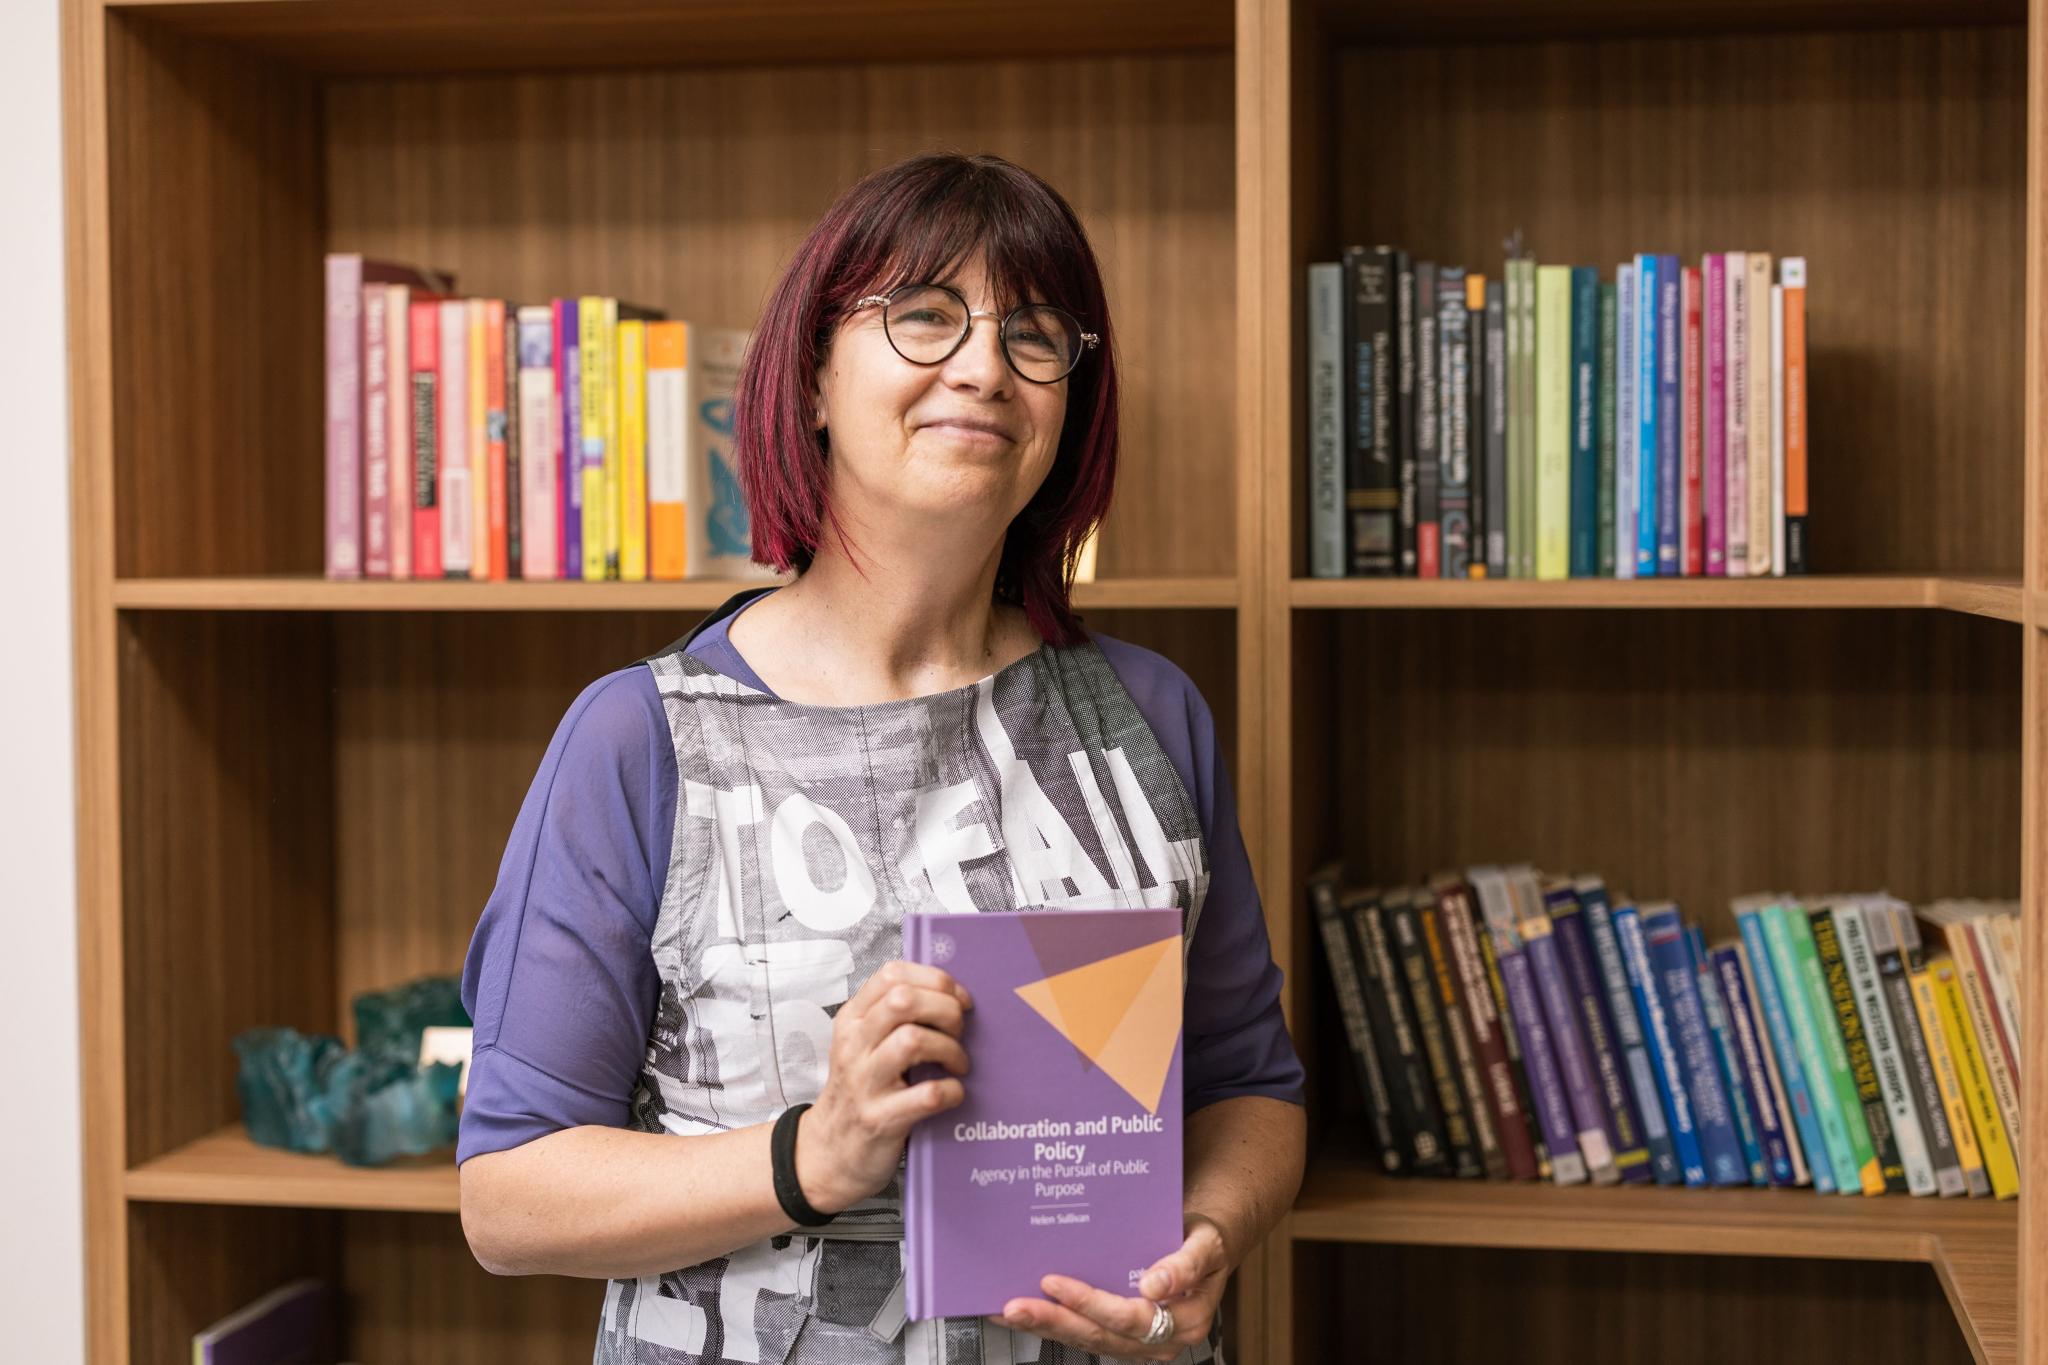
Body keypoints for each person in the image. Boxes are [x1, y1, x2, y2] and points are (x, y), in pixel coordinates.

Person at [456, 151, 1305, 1365]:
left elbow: (1249, 1091)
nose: (981, 367)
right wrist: (816, 1153)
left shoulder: (1148, 715)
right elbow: (509, 1198)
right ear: (810, 377)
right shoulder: (635, 739)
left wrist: (1204, 1242)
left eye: (1034, 334)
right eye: (923, 317)